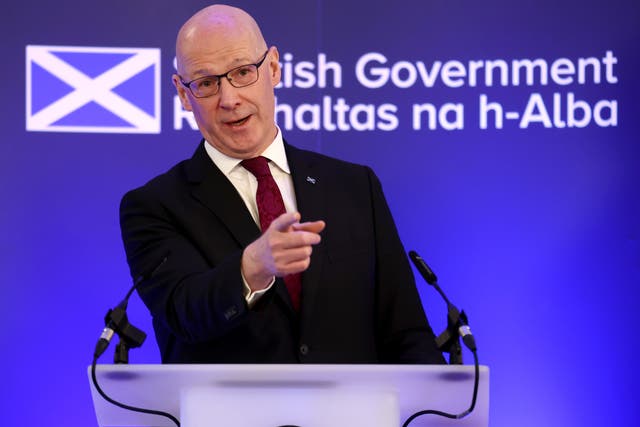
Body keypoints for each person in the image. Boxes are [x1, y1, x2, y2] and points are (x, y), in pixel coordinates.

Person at [119, 4, 444, 365]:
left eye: (243, 72)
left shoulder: (354, 187)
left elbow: (405, 331)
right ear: (183, 94)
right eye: (207, 83)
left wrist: (442, 415)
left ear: (273, 68)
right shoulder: (154, 206)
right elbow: (184, 314)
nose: (230, 100)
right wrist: (250, 268)